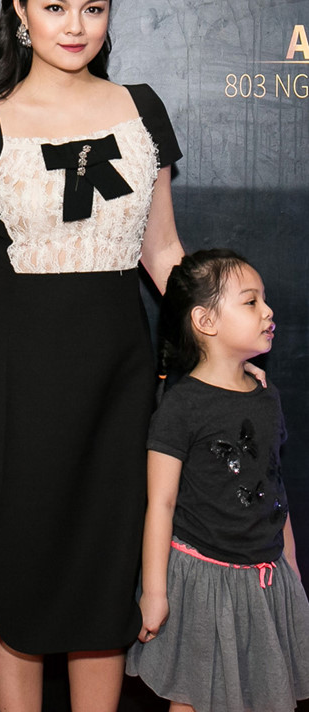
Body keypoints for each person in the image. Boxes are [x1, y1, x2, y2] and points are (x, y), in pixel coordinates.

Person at [0, 0, 185, 712]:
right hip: (14, 376)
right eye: (54, 7)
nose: (75, 26)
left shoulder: (140, 109)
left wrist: (214, 342)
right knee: (15, 565)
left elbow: (164, 251)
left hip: (117, 377)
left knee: (101, 569)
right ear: (19, 9)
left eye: (93, 8)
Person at [126, 249, 309, 712]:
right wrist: (155, 593)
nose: (268, 311)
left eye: (264, 299)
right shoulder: (182, 407)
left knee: (266, 693)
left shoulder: (267, 395)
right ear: (205, 321)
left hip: (265, 579)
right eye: (250, 302)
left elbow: (275, 484)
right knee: (194, 697)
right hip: (203, 584)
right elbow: (161, 505)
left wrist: (290, 564)